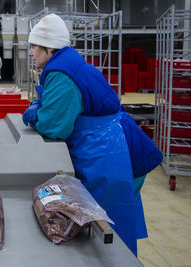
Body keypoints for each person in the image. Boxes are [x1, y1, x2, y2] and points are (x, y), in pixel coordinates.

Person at [22, 13, 162, 256]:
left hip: (107, 153)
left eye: (34, 46)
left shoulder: (61, 73)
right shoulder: (67, 63)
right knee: (107, 223)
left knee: (107, 228)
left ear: (49, 47)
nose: (31, 52)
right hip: (112, 144)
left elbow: (55, 126)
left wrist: (34, 115)